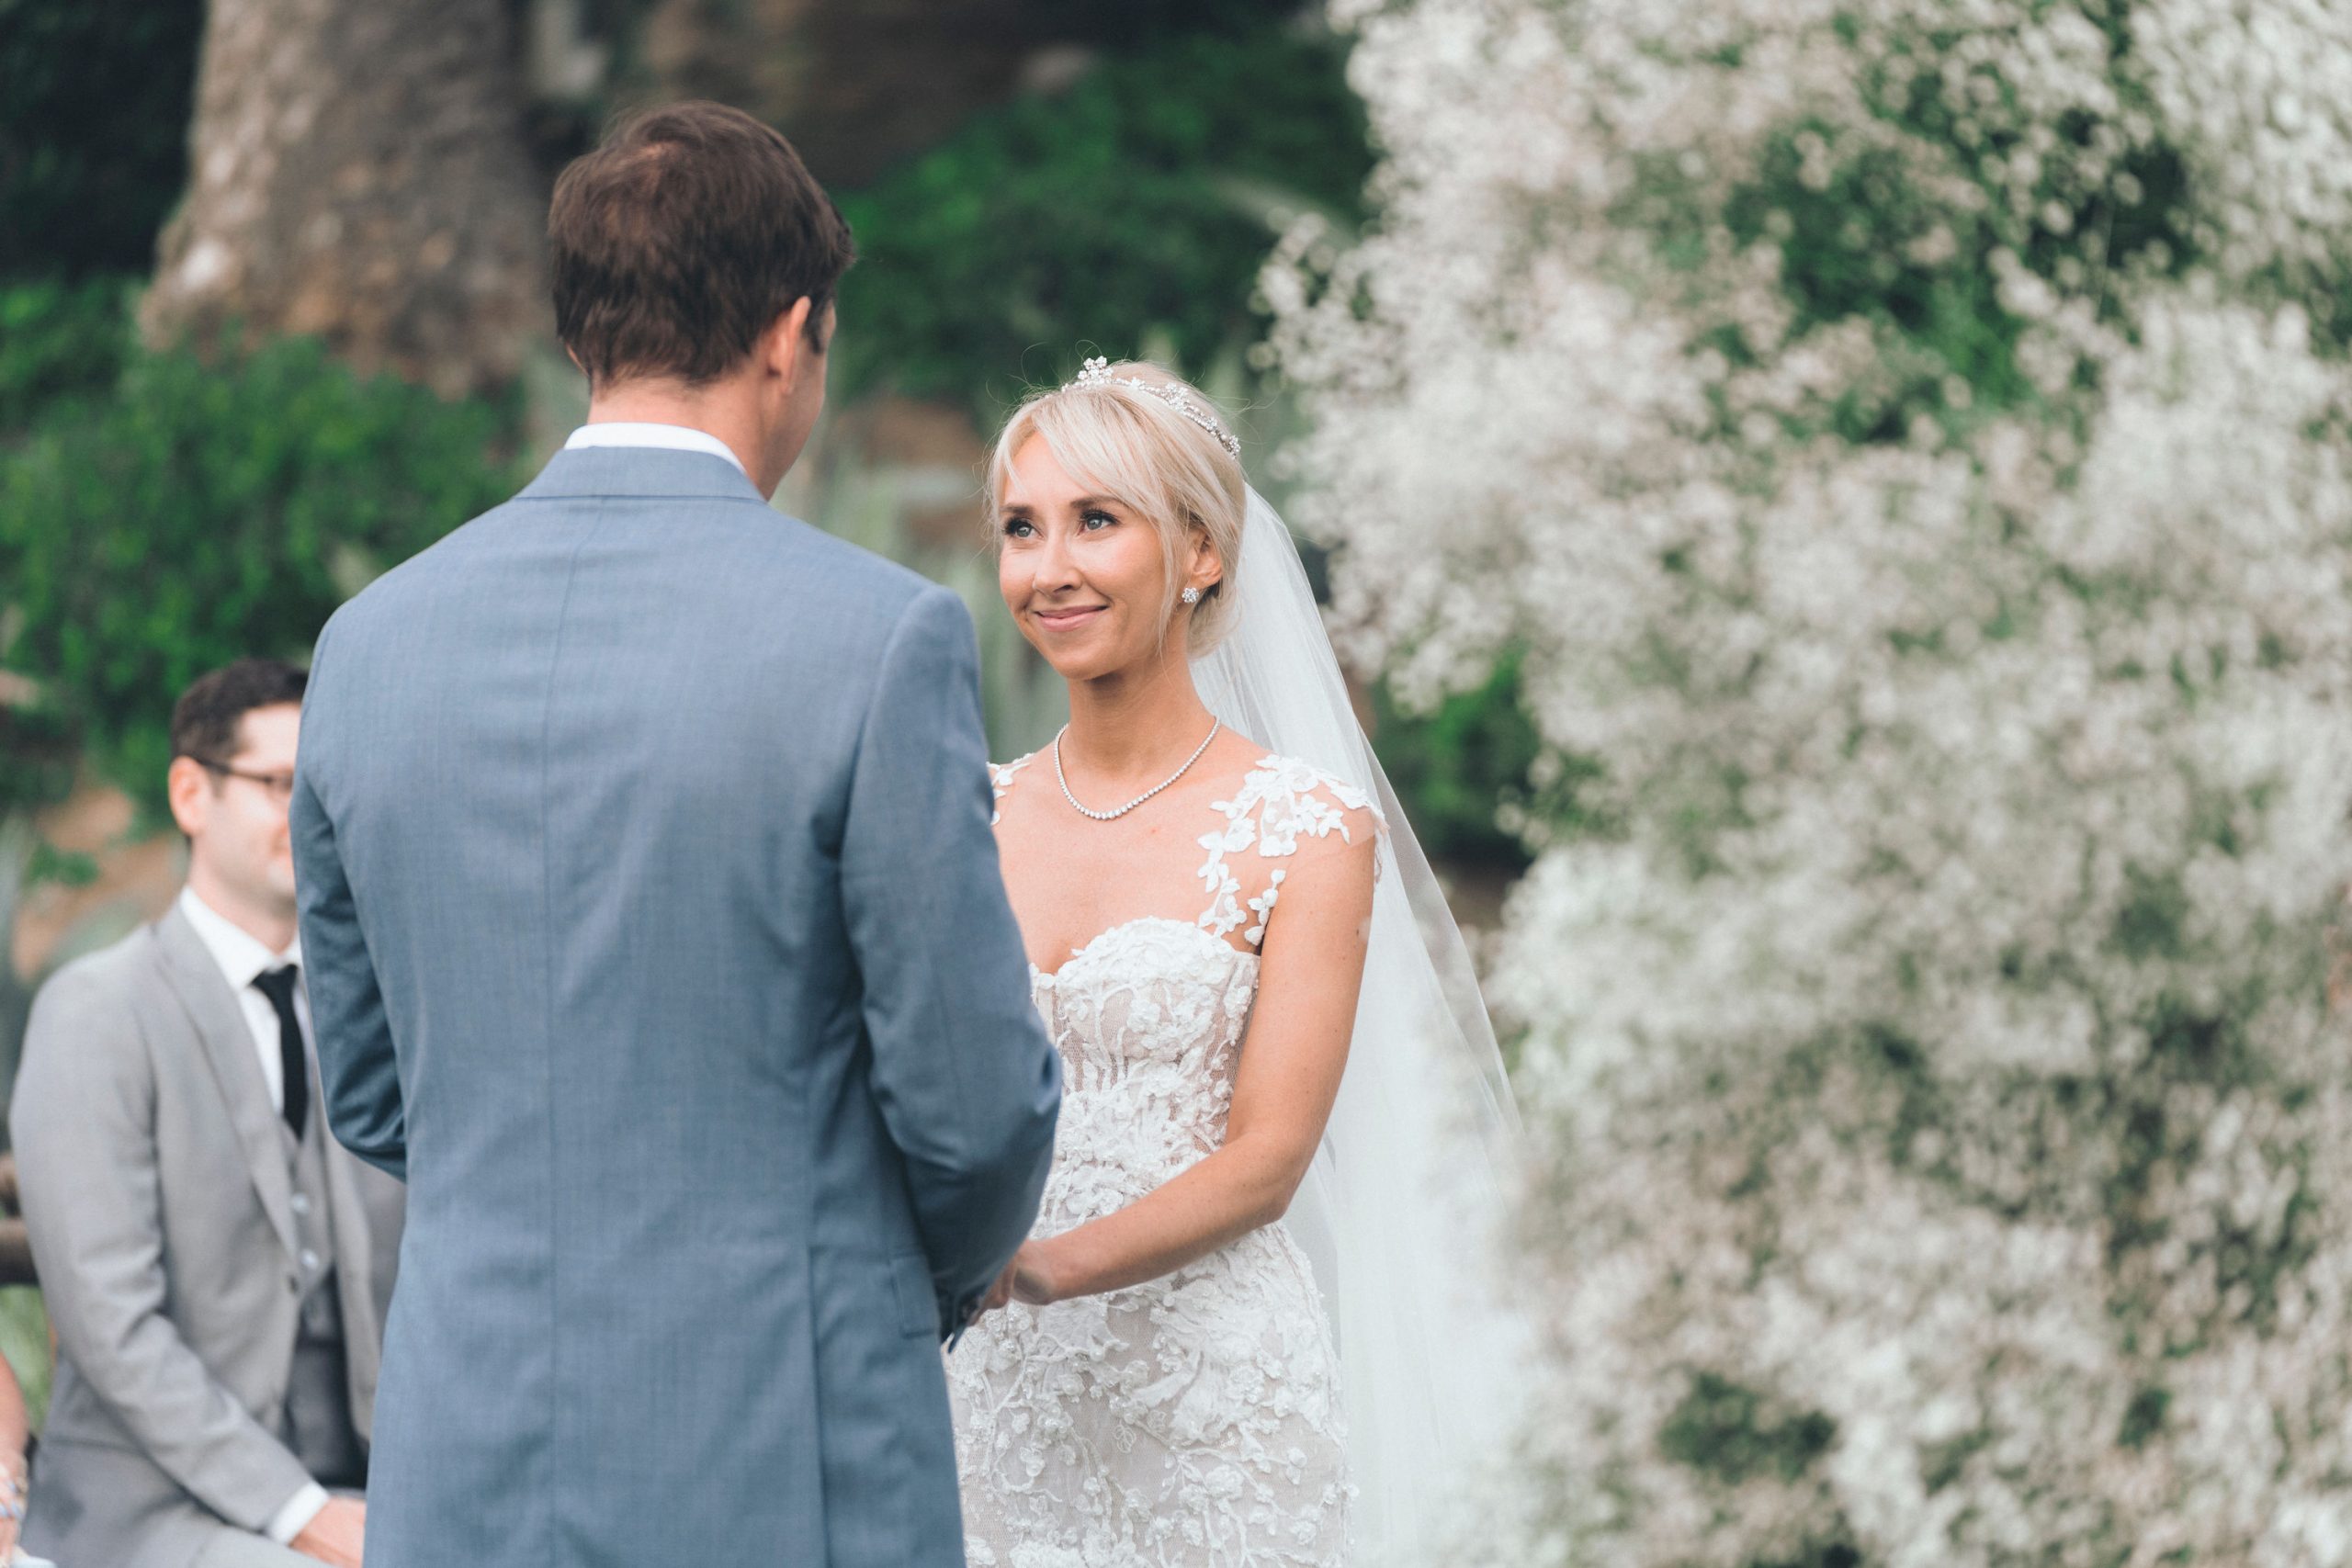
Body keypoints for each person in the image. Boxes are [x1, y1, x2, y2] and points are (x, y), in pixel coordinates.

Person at [288, 101, 1061, 1568]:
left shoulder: (366, 644)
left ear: (582, 337)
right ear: (790, 334)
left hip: (466, 1450)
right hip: (789, 1442)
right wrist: (897, 1285)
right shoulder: (877, 638)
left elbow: (373, 1092)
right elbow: (973, 1104)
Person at [951, 360, 1526, 1567]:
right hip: (991, 1394)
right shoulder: (963, 813)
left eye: (1095, 521)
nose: (1048, 568)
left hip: (1210, 1403)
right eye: (1021, 527)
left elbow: (1269, 1157)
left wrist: (1037, 1269)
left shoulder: (1308, 829)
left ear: (1202, 552)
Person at [11, 660, 405, 1568]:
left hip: (371, 1486)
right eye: (280, 784)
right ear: (192, 793)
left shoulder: (376, 1016)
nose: (308, 815)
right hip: (152, 1510)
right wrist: (301, 1513)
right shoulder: (96, 1012)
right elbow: (111, 1324)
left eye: (323, 789)